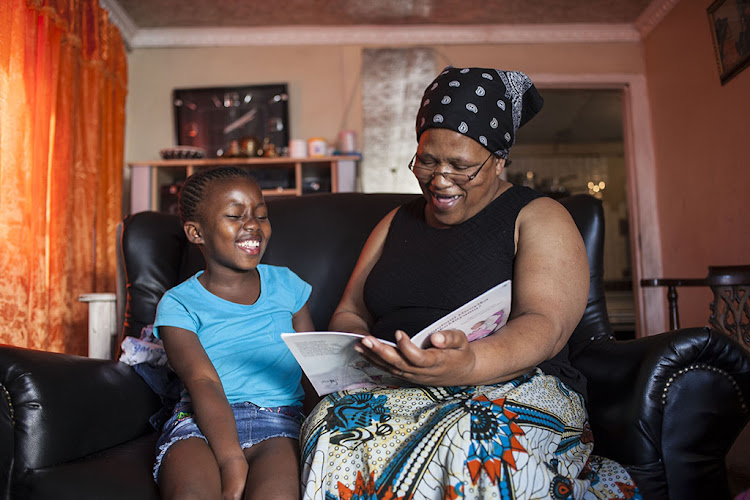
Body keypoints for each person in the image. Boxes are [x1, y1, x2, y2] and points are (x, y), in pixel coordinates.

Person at [300, 67, 638, 499]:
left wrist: (469, 365)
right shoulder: (394, 223)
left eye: (460, 166)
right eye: (426, 160)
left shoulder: (538, 215)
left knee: (472, 439)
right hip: (390, 387)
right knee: (332, 430)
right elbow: (352, 310)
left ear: (499, 161)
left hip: (511, 385)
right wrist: (362, 353)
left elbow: (546, 324)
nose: (439, 180)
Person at [152, 166, 314, 500]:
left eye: (261, 215)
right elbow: (203, 382)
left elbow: (312, 364)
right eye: (235, 215)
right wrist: (230, 460)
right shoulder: (178, 304)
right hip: (198, 423)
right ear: (196, 233)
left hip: (279, 425)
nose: (253, 224)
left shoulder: (287, 286)